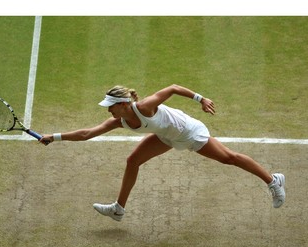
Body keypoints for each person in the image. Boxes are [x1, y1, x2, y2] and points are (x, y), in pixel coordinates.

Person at [39, 84, 286, 222]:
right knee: (133, 160)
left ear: (124, 105)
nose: (108, 112)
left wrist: (201, 98)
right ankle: (118, 209)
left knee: (229, 158)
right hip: (166, 136)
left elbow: (174, 88)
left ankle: (273, 180)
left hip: (188, 132)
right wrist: (55, 136)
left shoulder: (145, 106)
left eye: (111, 107)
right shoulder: (120, 121)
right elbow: (87, 134)